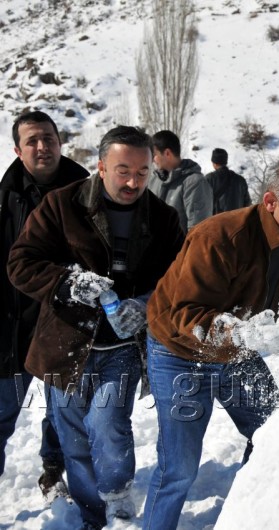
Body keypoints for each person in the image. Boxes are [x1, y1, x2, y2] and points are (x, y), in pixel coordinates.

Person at [7, 126, 185, 529]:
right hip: (63, 342)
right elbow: (20, 263)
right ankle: (92, 515)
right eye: (123, 171)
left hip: (122, 346)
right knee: (72, 435)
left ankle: (117, 500)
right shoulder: (61, 205)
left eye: (142, 173)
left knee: (109, 425)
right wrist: (69, 283)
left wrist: (145, 303)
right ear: (101, 166)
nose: (133, 182)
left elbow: (178, 278)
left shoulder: (163, 218)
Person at [142, 164, 279, 530]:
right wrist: (246, 337)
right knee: (179, 466)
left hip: (238, 352)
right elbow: (187, 314)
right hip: (180, 352)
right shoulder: (220, 236)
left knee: (275, 434)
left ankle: (248, 515)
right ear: (271, 202)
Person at [0, 111, 87, 502]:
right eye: (32, 141)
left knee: (63, 415)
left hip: (63, 324)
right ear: (18, 151)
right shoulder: (5, 196)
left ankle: (53, 473)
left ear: (60, 143)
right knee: (2, 411)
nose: (42, 147)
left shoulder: (86, 192)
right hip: (10, 324)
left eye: (48, 138)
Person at [148, 129, 213, 232]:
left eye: (154, 155)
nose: (152, 160)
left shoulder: (195, 183)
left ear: (167, 153)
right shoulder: (153, 180)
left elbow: (198, 230)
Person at [205, 147, 252, 214]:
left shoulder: (209, 179)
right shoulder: (240, 180)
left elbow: (203, 203)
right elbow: (247, 204)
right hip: (237, 218)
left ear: (214, 163)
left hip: (217, 219)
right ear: (226, 162)